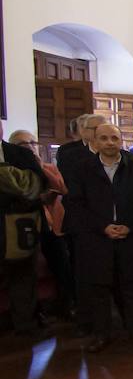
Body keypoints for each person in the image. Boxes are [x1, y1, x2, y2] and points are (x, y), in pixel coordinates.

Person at [65, 124, 133, 352]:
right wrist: (102, 227)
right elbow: (75, 204)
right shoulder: (82, 169)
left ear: (121, 140)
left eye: (114, 138)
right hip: (96, 239)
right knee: (98, 290)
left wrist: (130, 226)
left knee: (132, 288)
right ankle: (101, 334)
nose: (109, 142)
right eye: (103, 138)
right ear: (95, 142)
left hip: (130, 237)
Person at [9, 129, 73, 323]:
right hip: (24, 228)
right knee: (26, 273)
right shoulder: (12, 172)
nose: (29, 147)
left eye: (32, 143)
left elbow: (61, 188)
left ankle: (65, 305)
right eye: (23, 144)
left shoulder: (48, 167)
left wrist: (38, 167)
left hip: (54, 227)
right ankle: (31, 313)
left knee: (63, 266)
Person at [0, 121, 46, 337]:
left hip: (18, 226)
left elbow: (35, 188)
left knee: (23, 278)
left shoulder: (20, 155)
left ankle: (25, 324)